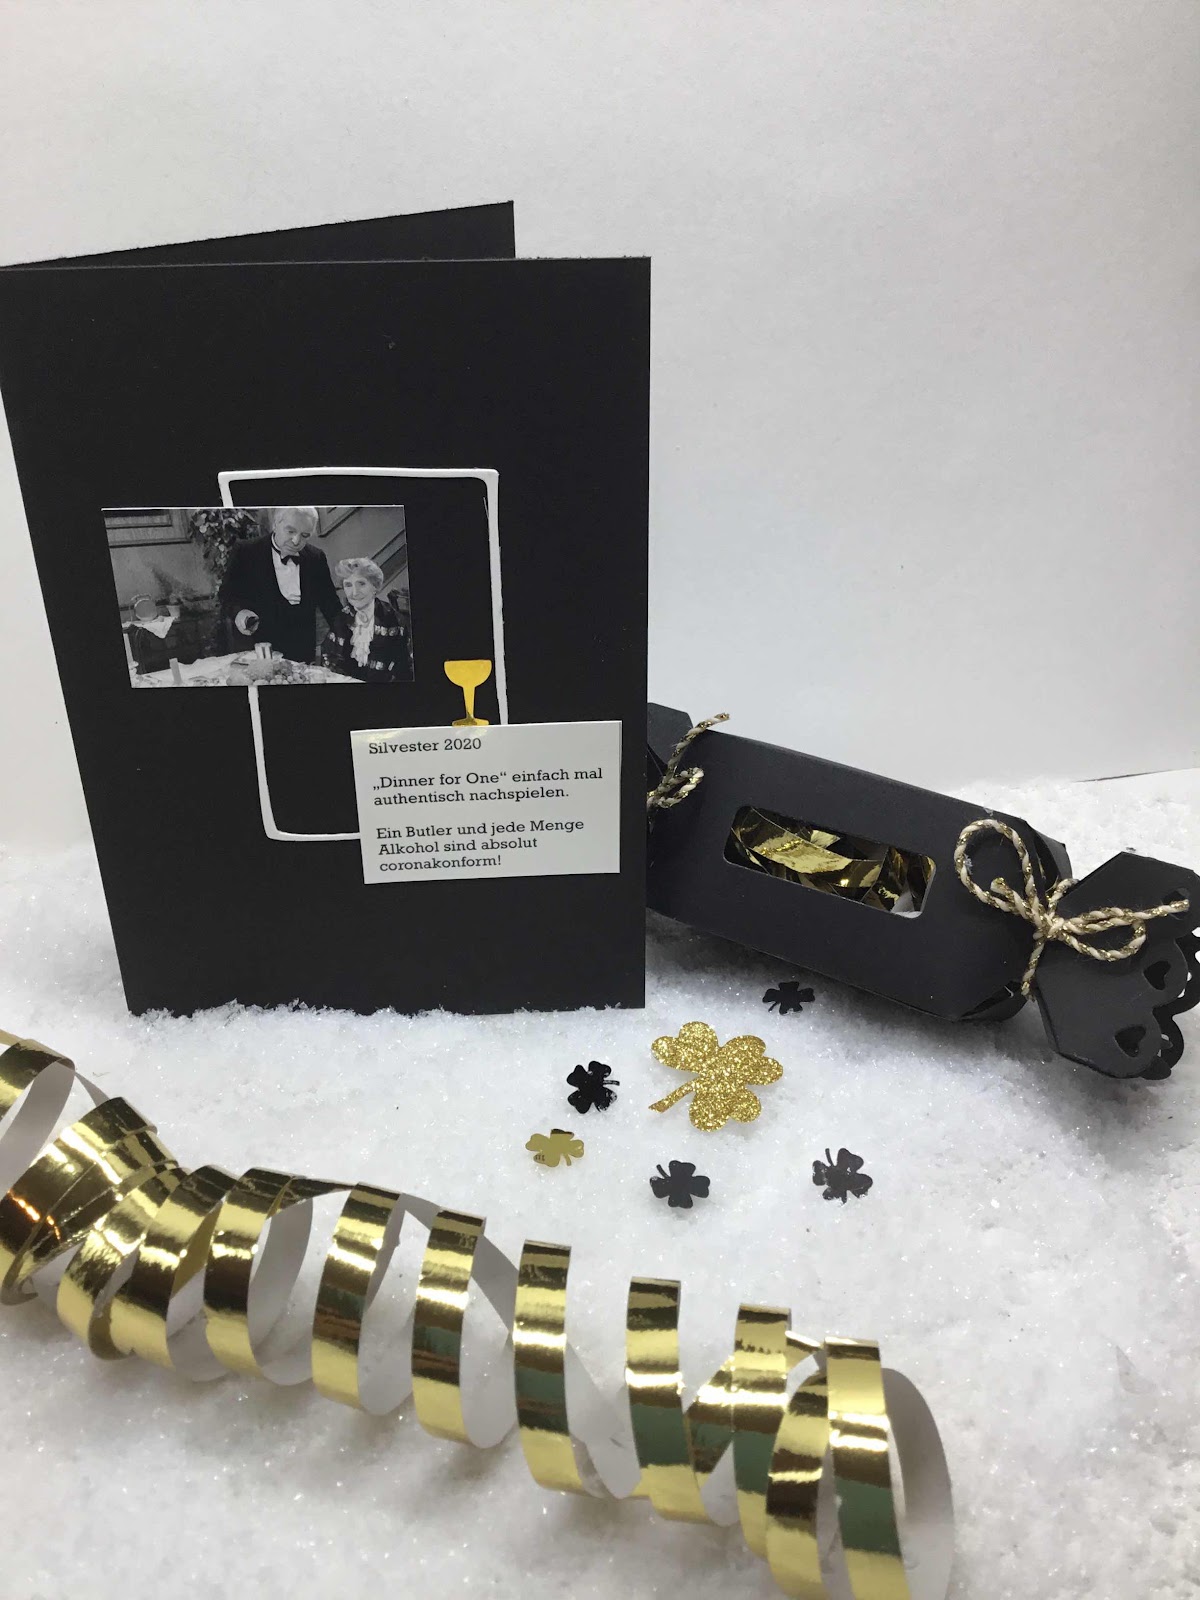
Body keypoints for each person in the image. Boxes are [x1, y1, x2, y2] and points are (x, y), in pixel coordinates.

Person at [218, 506, 341, 664]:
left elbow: (330, 604)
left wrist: (351, 633)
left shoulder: (316, 557)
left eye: (305, 535)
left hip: (303, 651)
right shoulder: (246, 551)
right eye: (290, 531)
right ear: (275, 524)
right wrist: (240, 613)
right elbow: (227, 594)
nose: (296, 541)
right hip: (259, 649)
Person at [320, 557, 411, 683]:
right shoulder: (342, 617)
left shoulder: (394, 621)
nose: (354, 593)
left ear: (375, 586)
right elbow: (329, 656)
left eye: (361, 584)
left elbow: (404, 670)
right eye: (348, 585)